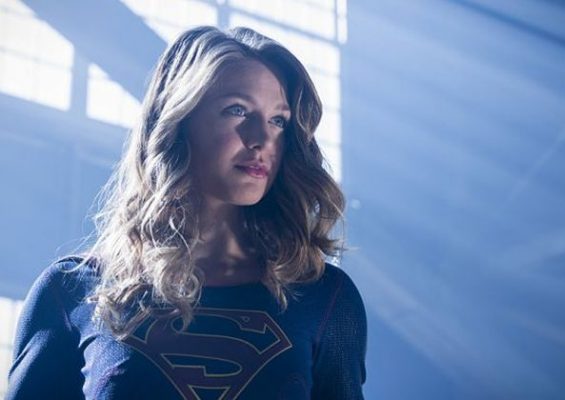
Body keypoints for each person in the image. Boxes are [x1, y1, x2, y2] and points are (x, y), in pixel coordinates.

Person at [7, 26, 367, 400]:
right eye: (237, 110)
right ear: (179, 121)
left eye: (278, 120)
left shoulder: (325, 299)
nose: (261, 138)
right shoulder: (71, 291)